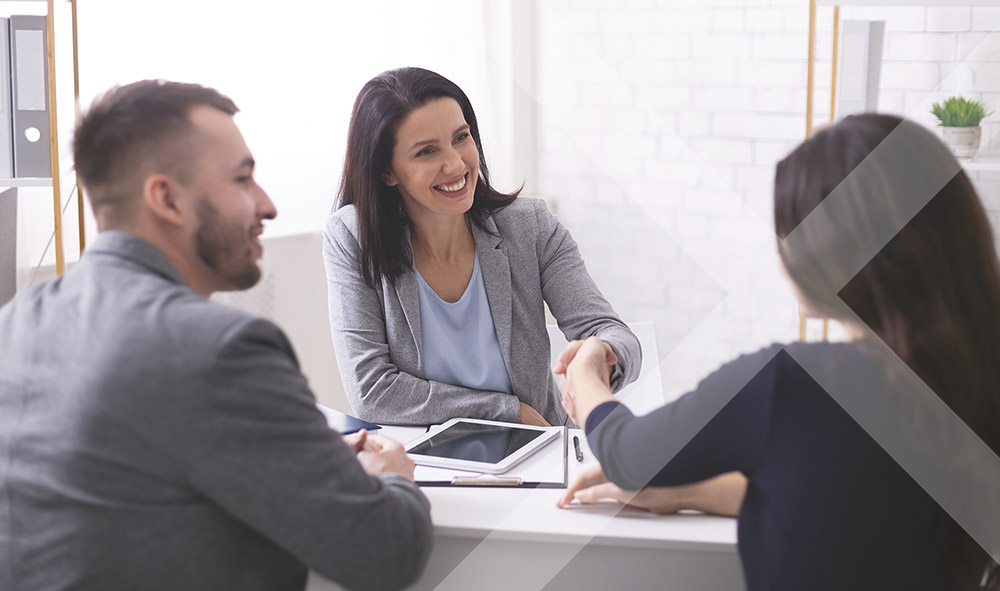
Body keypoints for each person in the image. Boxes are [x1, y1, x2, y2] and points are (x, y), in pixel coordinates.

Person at [0, 80, 433, 591]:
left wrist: (302, 460)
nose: (268, 206)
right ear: (167, 199)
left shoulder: (16, 322)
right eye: (243, 180)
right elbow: (383, 555)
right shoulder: (219, 347)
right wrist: (392, 477)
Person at [555, 114, 1000, 590]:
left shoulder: (793, 385)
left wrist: (586, 374)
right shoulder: (971, 372)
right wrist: (689, 493)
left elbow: (627, 453)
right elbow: (853, 499)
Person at [323, 67, 640, 426]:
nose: (456, 164)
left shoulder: (530, 225)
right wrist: (506, 412)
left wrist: (599, 353)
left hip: (539, 453)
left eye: (461, 137)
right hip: (427, 464)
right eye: (426, 152)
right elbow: (372, 392)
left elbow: (613, 333)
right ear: (387, 172)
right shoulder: (352, 238)